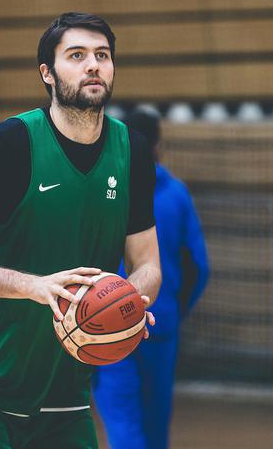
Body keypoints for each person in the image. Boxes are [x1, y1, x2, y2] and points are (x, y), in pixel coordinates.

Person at [0, 12, 162, 448]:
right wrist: (36, 286)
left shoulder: (133, 151)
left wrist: (134, 300)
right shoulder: (8, 144)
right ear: (47, 73)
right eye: (77, 55)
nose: (93, 65)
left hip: (66, 385)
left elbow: (147, 262)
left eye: (102, 55)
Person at [92, 107, 209, 449]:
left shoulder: (101, 188)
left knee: (123, 425)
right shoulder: (177, 193)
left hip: (107, 330)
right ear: (158, 145)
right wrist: (172, 310)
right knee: (155, 428)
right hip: (160, 327)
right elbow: (198, 267)